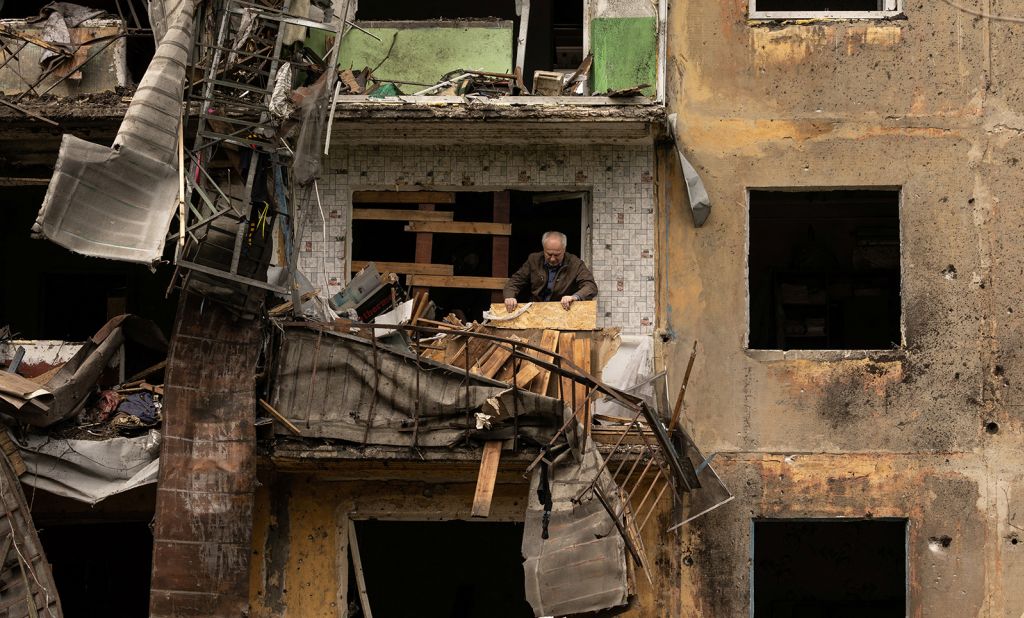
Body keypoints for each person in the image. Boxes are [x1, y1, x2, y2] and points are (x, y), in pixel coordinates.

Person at [503, 231, 598, 312]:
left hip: (563, 311)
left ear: (564, 249)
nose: (552, 259)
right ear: (543, 249)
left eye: (557, 255)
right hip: (536, 310)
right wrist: (510, 297)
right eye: (549, 254)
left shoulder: (575, 263)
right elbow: (514, 282)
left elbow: (591, 286)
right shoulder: (533, 260)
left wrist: (574, 297)